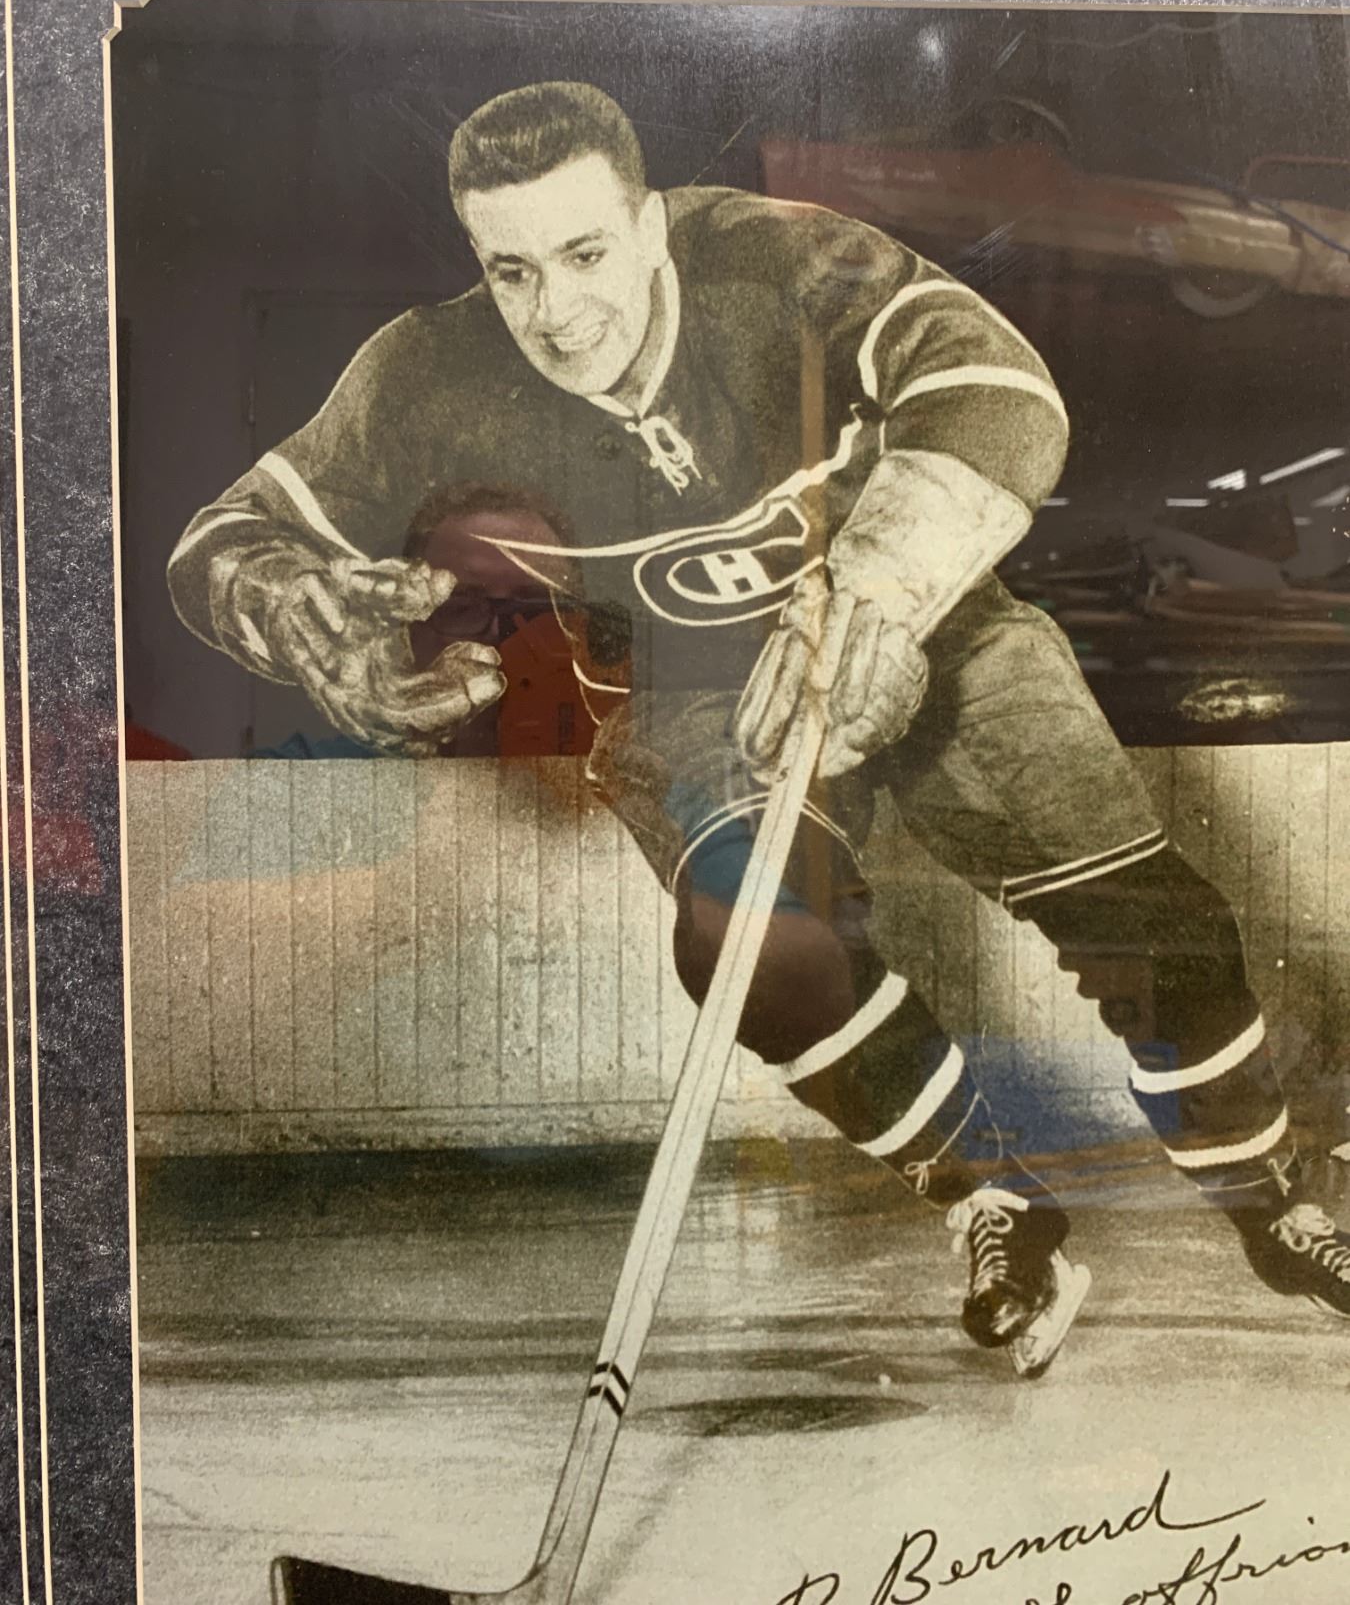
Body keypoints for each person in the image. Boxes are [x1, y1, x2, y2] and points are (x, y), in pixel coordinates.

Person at [168, 81, 1350, 1373]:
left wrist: (878, 588)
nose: (555, 312)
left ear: (650, 223)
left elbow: (996, 384)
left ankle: (1270, 1197)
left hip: (924, 621)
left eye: (584, 254)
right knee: (752, 950)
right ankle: (995, 1203)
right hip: (686, 692)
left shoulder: (774, 259)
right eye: (511, 272)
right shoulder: (426, 372)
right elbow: (222, 538)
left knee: (1150, 922)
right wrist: (284, 608)